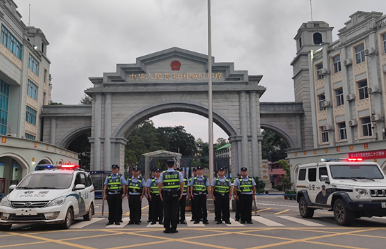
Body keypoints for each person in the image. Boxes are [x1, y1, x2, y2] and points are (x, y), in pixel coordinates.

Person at [158, 159, 184, 233]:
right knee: (174, 212)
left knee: (166, 211)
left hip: (166, 194)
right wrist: (181, 193)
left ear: (167, 165)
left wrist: (160, 193)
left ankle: (167, 228)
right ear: (174, 165)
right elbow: (182, 183)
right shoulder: (178, 173)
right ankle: (173, 228)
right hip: (175, 194)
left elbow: (160, 184)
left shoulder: (163, 173)